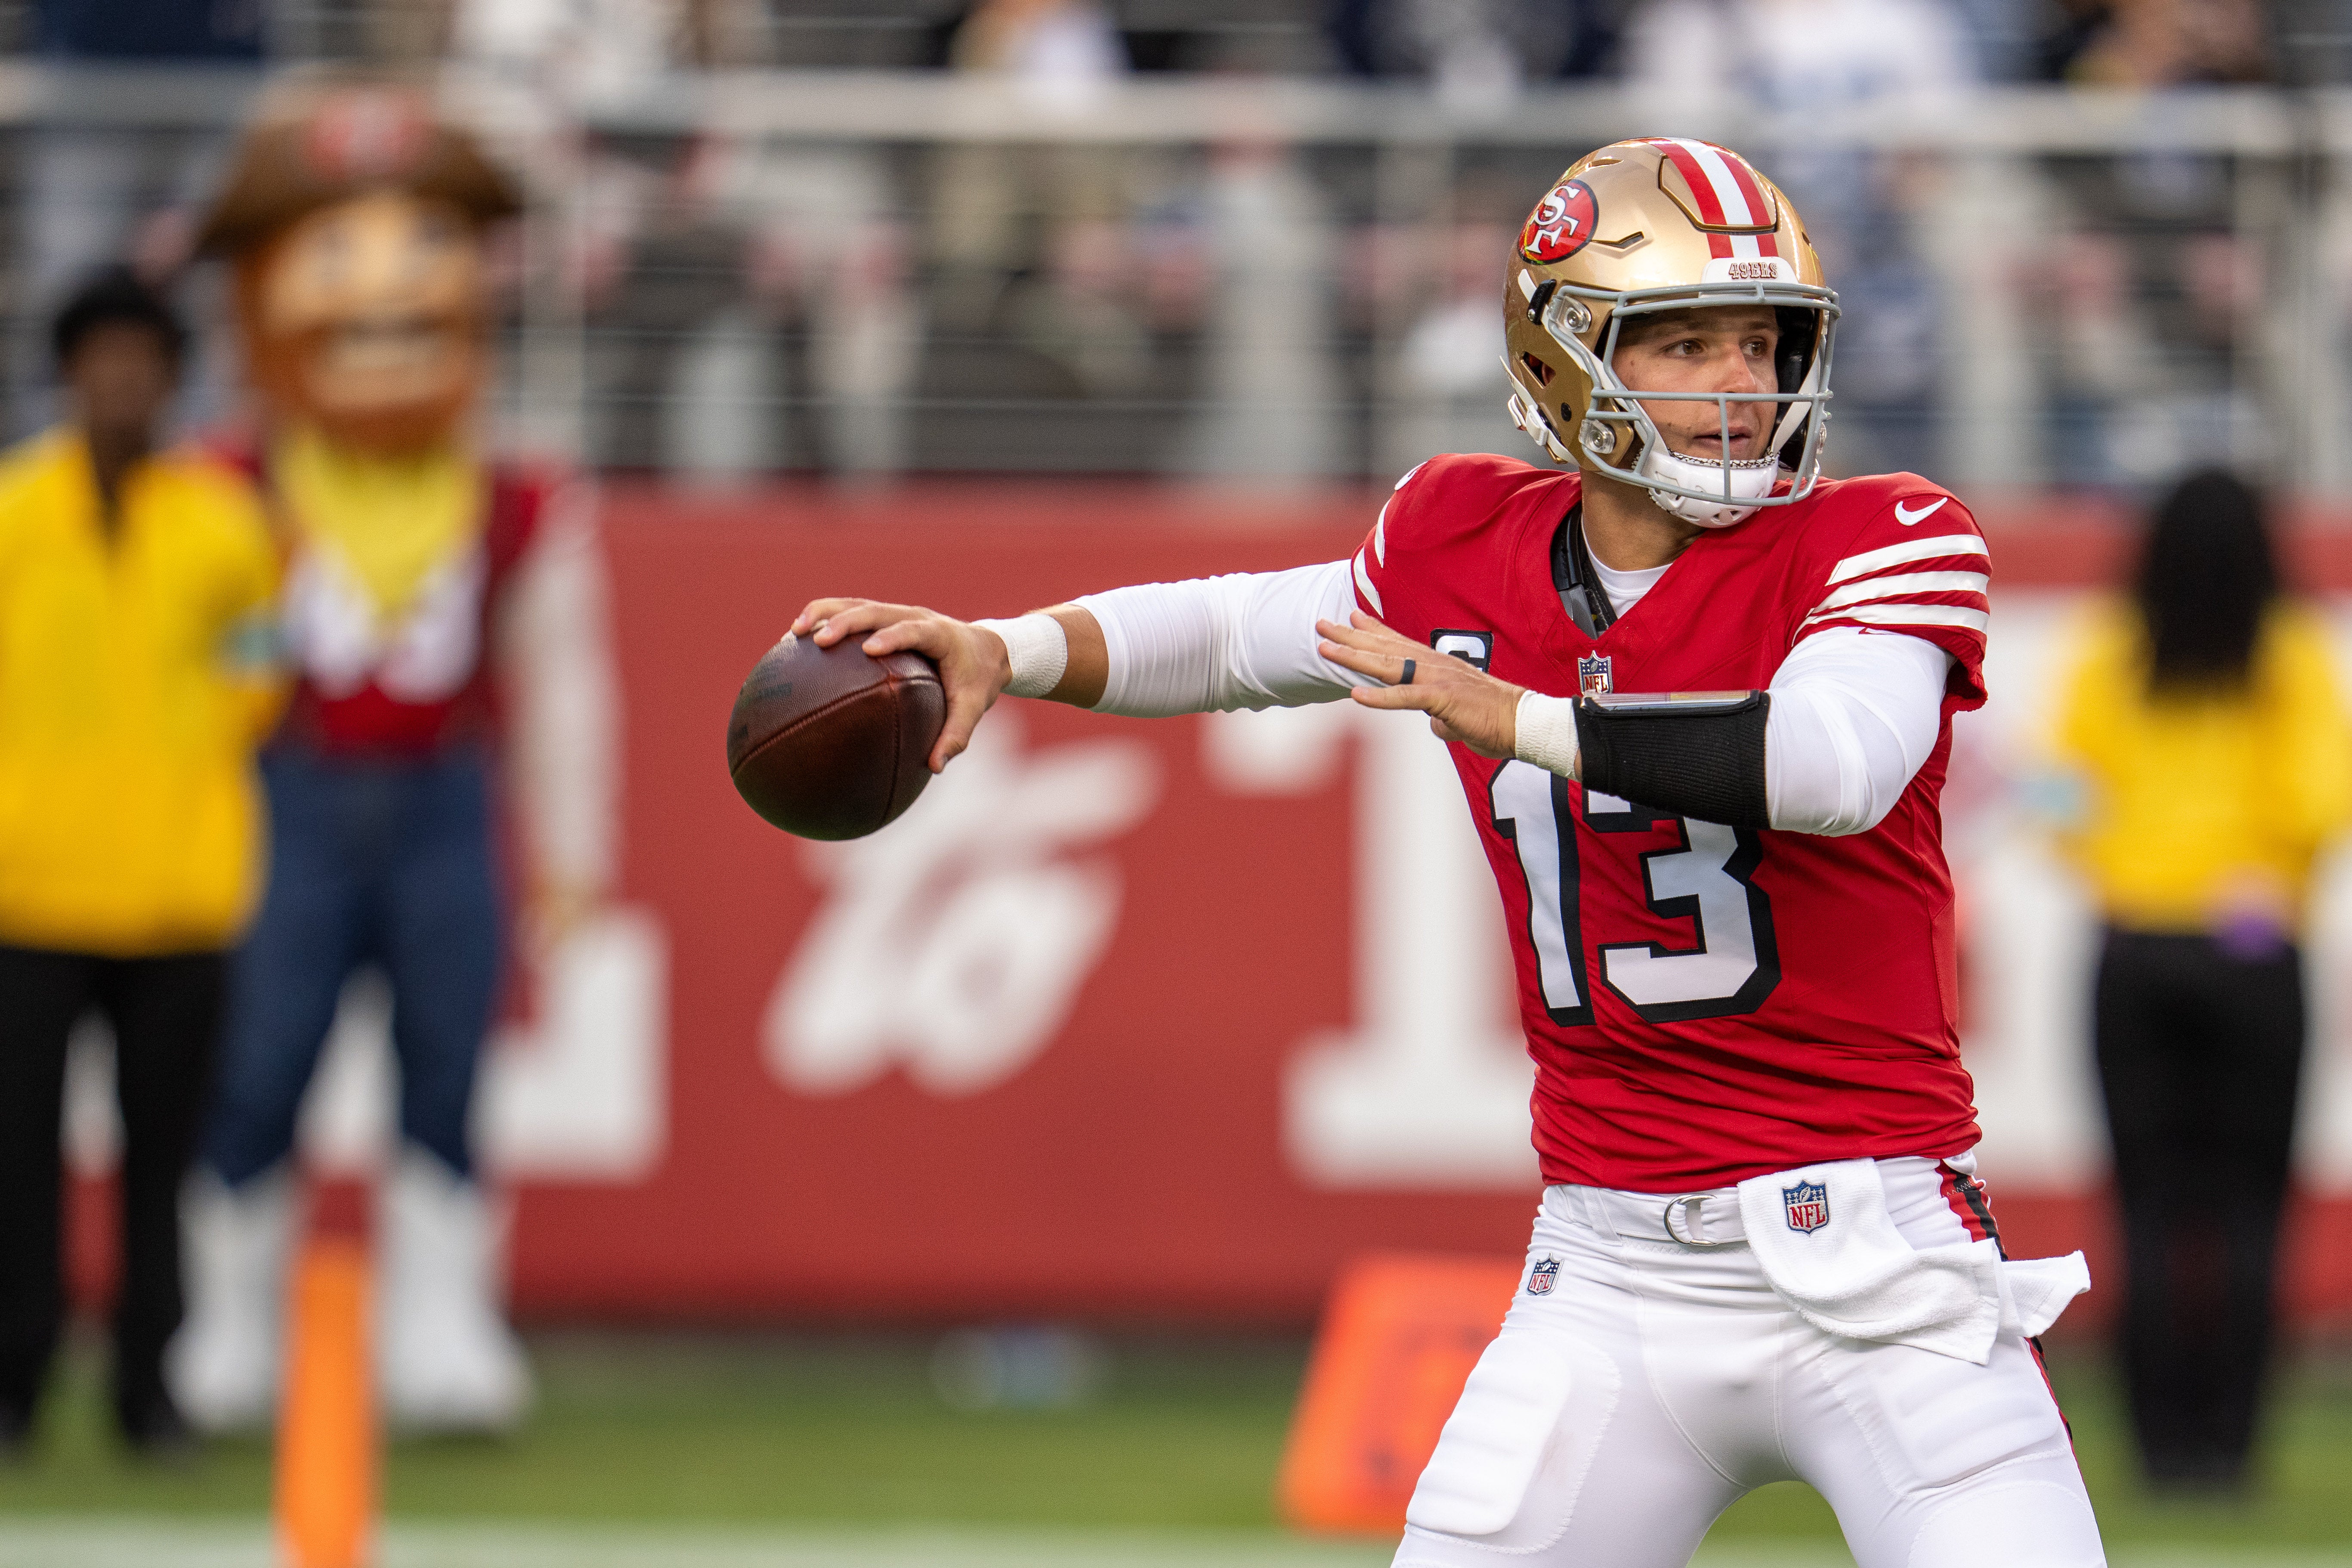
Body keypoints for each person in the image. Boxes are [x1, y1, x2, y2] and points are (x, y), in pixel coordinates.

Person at [791, 139, 2107, 1565]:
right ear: (1561, 356)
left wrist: (1522, 713)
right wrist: (1009, 648)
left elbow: (1832, 766)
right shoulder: (1459, 538)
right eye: (1681, 341)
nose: (1737, 379)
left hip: (1877, 1267)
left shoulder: (1882, 535)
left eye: (1761, 339)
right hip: (1608, 1274)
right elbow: (1237, 634)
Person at [171, 87, 613, 1437]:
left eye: (423, 243)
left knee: (446, 1061)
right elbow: (185, 680)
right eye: (327, 246)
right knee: (259, 1059)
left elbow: (566, 684)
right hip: (284, 796)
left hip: (440, 793)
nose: (380, 288)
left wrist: (577, 846)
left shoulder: (518, 495)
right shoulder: (226, 484)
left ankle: (443, 1326)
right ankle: (229, 1324)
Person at [0, 267, 280, 1456]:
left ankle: (148, 1387)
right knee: (15, 1159)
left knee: (163, 1162)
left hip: (178, 888)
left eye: (143, 359)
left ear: (171, 379)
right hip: (30, 884)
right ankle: (13, 1384)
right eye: (102, 357)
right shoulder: (12, 514)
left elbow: (263, 678)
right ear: (70, 372)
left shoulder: (224, 524)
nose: (121, 379)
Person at [2050, 469, 2351, 1491]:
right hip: (2255, 948)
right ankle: (2229, 1447)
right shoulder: (2292, 657)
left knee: (2142, 1205)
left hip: (2135, 948)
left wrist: (2128, 872)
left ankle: (2156, 1445)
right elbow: (2323, 796)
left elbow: (2060, 795)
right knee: (2253, 1208)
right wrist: (2258, 877)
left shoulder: (2110, 652)